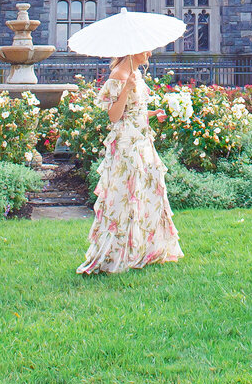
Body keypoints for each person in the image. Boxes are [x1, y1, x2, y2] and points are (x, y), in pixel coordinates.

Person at [77, 49, 183, 275]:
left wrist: (155, 113)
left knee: (146, 192)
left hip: (142, 140)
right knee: (126, 195)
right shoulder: (118, 76)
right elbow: (115, 116)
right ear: (133, 51)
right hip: (126, 144)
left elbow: (136, 111)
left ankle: (144, 249)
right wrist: (126, 88)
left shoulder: (136, 73)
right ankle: (118, 253)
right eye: (145, 50)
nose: (150, 53)